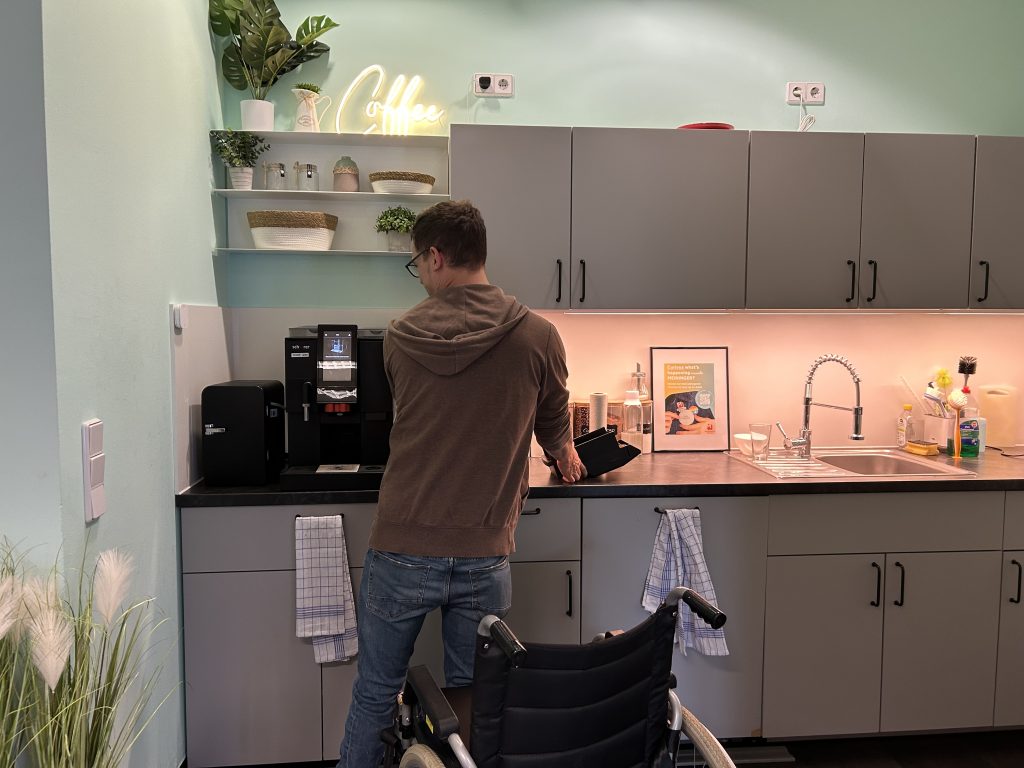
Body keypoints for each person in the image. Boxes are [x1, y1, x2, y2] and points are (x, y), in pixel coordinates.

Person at [337, 200, 584, 767]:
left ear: (437, 256)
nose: (421, 277)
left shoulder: (399, 336)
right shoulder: (539, 336)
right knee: (472, 700)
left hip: (402, 543)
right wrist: (564, 453)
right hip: (483, 549)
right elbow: (553, 417)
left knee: (378, 692)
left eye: (418, 264)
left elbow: (412, 418)